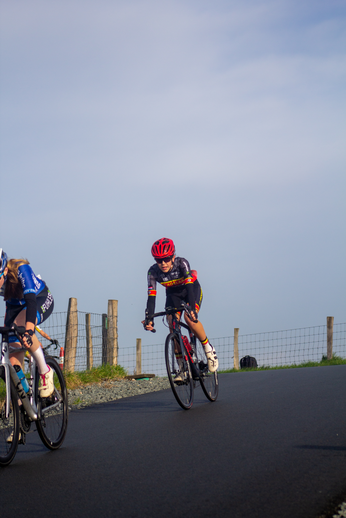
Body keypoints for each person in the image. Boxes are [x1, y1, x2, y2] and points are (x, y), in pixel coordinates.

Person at [143, 238, 218, 377]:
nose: (163, 263)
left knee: (189, 318)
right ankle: (183, 368)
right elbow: (151, 296)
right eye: (159, 260)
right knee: (172, 324)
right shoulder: (152, 272)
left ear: (173, 257)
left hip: (190, 289)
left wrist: (193, 310)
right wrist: (149, 318)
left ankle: (208, 348)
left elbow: (189, 287)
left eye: (166, 259)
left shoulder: (182, 263)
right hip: (173, 294)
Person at [0, 248, 54, 398]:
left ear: (4, 271)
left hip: (39, 298)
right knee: (12, 363)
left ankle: (45, 371)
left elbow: (30, 300)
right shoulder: (2, 278)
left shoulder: (20, 269)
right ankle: (24, 401)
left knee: (24, 328)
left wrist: (29, 331)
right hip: (14, 307)